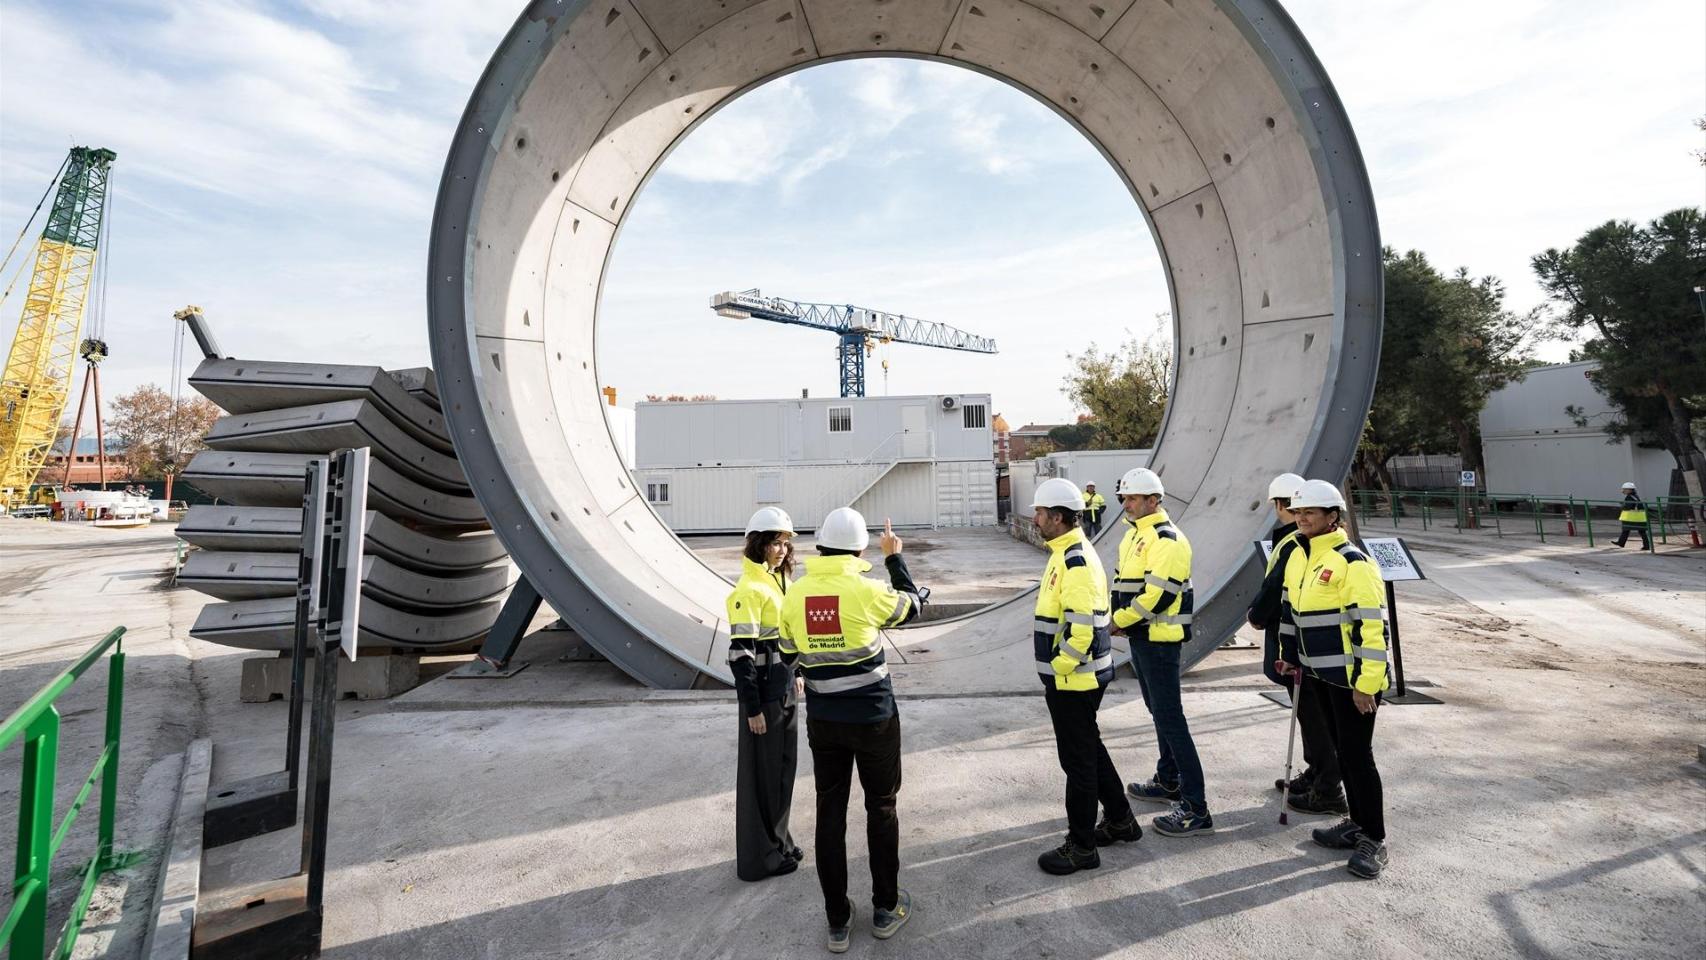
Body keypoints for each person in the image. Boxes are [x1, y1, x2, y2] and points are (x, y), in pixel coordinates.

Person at [779, 508, 923, 953]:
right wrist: (895, 559)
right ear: (861, 548)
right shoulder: (868, 589)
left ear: (820, 546)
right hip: (874, 720)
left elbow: (788, 655)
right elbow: (913, 606)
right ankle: (885, 909)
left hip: (825, 723)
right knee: (881, 807)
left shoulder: (795, 593)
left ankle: (837, 921)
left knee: (829, 813)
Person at [1275, 479, 1391, 879]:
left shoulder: (1353, 563)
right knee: (1342, 754)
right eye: (1298, 512)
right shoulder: (1299, 557)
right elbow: (1290, 614)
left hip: (1350, 682)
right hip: (1317, 675)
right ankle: (1355, 822)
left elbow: (1372, 629)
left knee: (1358, 758)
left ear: (1332, 517)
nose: (1302, 518)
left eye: (1310, 512)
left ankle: (1373, 838)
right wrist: (1288, 658)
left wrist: (1367, 684)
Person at [1029, 477, 1138, 875]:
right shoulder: (1066, 552)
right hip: (1076, 678)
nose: (1035, 517)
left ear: (1057, 517)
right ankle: (1122, 819)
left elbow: (1082, 630)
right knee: (1088, 748)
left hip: (1074, 680)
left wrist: (1059, 667)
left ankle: (1081, 846)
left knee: (1077, 762)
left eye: (1040, 512)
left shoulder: (1074, 559)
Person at [1112, 467, 1214, 837]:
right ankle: (1168, 779)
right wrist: (1121, 619)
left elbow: (1159, 594)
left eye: (1134, 498)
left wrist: (1119, 619)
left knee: (1171, 718)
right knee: (1158, 711)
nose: (1127, 503)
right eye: (1124, 497)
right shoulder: (1135, 536)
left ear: (1154, 500)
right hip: (1142, 637)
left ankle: (1196, 806)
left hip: (1159, 639)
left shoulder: (1166, 539)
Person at [1246, 472, 1345, 817]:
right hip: (1299, 642)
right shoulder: (1299, 541)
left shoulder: (1292, 543)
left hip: (1299, 645)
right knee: (1310, 713)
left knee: (1313, 714)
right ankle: (1318, 773)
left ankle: (1327, 785)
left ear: (1279, 504)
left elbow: (1275, 590)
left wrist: (1257, 615)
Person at [727, 506, 803, 881]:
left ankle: (780, 840)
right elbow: (740, 656)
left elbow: (786, 636)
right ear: (758, 544)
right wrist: (751, 709)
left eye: (786, 544)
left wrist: (796, 672)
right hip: (764, 699)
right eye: (775, 543)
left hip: (784, 688)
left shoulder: (778, 582)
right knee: (765, 776)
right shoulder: (748, 590)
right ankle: (763, 857)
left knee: (784, 771)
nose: (782, 551)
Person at [1613, 482, 1650, 550]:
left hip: (1633, 518)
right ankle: (1621, 543)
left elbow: (1628, 507)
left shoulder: (1630, 497)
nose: (1623, 491)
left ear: (1630, 489)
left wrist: (1622, 506)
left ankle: (1621, 543)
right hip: (1638, 517)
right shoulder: (1635, 496)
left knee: (1628, 530)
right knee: (1638, 531)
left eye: (1625, 489)